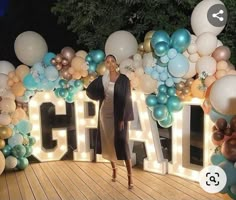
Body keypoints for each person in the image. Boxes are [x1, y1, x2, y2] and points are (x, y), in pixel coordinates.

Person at [86, 54, 134, 189]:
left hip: (118, 116)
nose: (110, 64)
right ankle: (114, 171)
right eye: (108, 62)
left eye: (113, 61)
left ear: (116, 63)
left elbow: (127, 98)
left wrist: (123, 118)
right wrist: (100, 96)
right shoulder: (103, 79)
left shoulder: (124, 79)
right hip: (104, 113)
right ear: (105, 65)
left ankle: (130, 178)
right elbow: (89, 91)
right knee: (108, 143)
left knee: (122, 144)